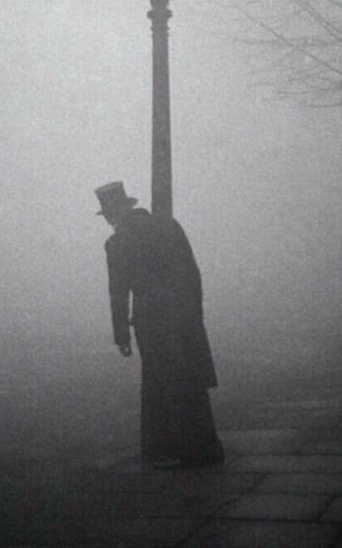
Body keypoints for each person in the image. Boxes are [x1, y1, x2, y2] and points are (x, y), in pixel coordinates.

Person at [95, 181, 224, 469]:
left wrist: (121, 334)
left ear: (113, 214)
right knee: (192, 382)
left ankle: (183, 451)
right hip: (184, 315)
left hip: (151, 321)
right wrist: (193, 311)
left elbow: (118, 291)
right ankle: (206, 446)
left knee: (165, 384)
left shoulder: (117, 244)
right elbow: (192, 272)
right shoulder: (168, 226)